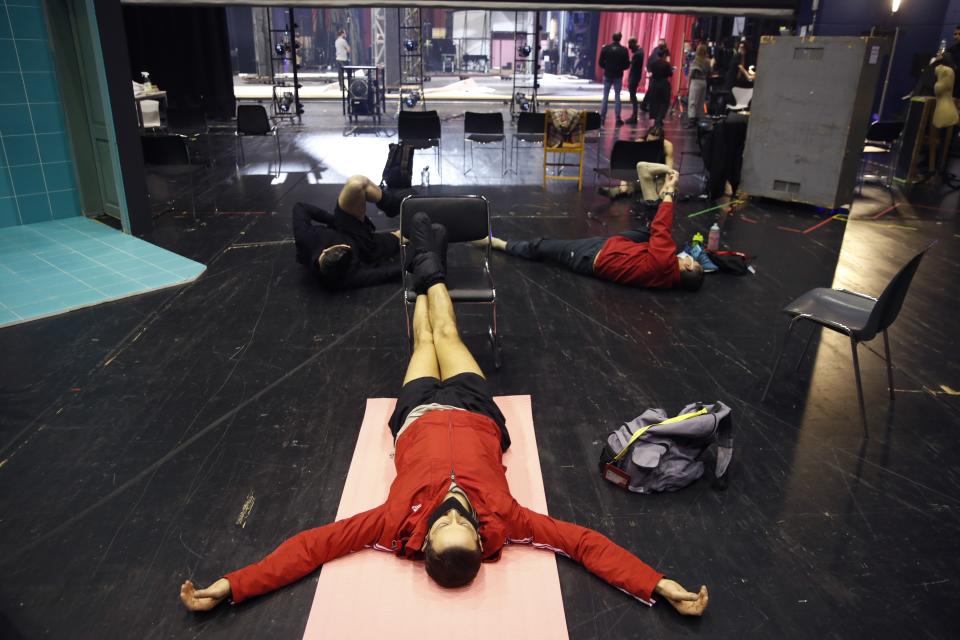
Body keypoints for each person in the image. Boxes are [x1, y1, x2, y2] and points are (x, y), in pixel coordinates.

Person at [179, 213, 709, 615]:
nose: (455, 514)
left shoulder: (391, 526)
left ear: (424, 542)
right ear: (481, 542)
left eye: (444, 525)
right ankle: (427, 254)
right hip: (476, 410)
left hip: (417, 414)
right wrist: (656, 584)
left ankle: (424, 253)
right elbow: (583, 544)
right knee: (448, 333)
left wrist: (233, 584)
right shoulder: (506, 519)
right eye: (465, 525)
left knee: (424, 336)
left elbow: (312, 547)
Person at [493, 172, 705, 291]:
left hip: (591, 255)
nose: (687, 257)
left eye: (690, 260)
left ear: (686, 266)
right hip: (616, 246)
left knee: (543, 247)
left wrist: (670, 192)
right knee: (654, 234)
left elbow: (662, 228)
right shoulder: (667, 278)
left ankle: (501, 244)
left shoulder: (663, 263)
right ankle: (651, 197)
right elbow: (659, 234)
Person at [292, 175, 407, 291]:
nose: (347, 244)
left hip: (342, 226)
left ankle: (393, 206)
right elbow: (385, 273)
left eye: (343, 246)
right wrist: (413, 264)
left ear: (325, 250)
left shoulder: (306, 238)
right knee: (404, 237)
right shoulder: (346, 277)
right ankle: (412, 214)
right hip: (365, 246)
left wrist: (332, 220)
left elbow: (300, 207)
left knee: (355, 183)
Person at [598, 125, 674, 213]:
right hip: (643, 173)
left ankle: (652, 198)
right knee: (629, 185)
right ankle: (616, 191)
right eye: (649, 141)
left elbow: (669, 169)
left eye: (655, 142)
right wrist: (624, 181)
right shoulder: (640, 143)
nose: (651, 144)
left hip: (659, 174)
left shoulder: (667, 146)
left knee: (662, 193)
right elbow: (630, 163)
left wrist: (666, 186)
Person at [598, 32, 631, 126]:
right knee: (617, 97)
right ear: (620, 38)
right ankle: (617, 118)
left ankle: (602, 117)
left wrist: (607, 67)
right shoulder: (624, 50)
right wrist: (620, 68)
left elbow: (600, 62)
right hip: (618, 75)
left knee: (605, 96)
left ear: (612, 38)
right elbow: (627, 65)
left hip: (608, 74)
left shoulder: (606, 48)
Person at [687, 44, 713, 127]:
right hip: (704, 82)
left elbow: (691, 73)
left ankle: (691, 120)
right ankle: (698, 119)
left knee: (693, 101)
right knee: (700, 101)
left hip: (696, 81)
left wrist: (688, 83)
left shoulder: (696, 60)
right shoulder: (707, 61)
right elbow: (710, 72)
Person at [647, 53, 674, 128]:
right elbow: (670, 74)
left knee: (655, 102)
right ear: (664, 55)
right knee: (664, 102)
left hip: (655, 84)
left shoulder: (653, 63)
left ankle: (656, 118)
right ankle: (659, 118)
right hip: (664, 84)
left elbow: (651, 71)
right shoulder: (666, 64)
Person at [625, 37, 646, 125]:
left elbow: (631, 64)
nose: (629, 48)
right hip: (635, 76)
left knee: (633, 96)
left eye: (630, 45)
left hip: (634, 77)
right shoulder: (640, 51)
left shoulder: (638, 53)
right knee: (632, 96)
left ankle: (634, 116)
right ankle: (634, 115)